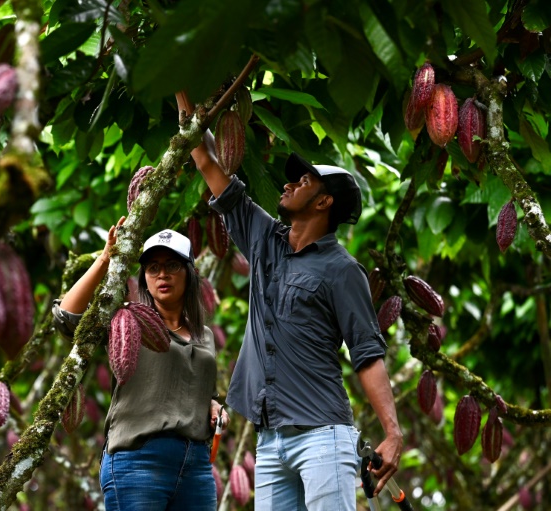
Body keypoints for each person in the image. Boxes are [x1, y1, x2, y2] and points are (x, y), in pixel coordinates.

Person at [176, 91, 403, 511]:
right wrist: (179, 87)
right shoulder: (264, 238)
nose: (288, 184)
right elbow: (207, 161)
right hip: (269, 440)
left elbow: (367, 353)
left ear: (323, 201)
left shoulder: (342, 269)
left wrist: (393, 433)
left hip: (323, 436)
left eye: (303, 182)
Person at [52, 217, 229, 511]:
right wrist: (105, 259)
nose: (163, 275)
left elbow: (199, 388)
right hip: (139, 460)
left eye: (172, 265)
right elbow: (67, 319)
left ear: (189, 273)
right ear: (144, 276)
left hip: (195, 466)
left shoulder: (204, 335)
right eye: (153, 267)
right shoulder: (128, 321)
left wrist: (212, 406)